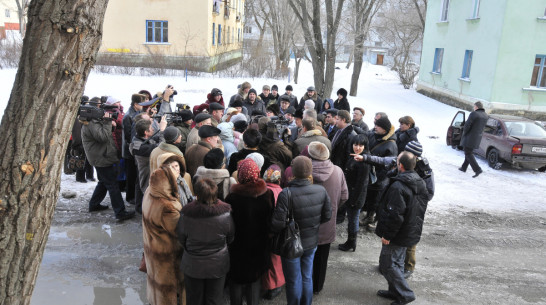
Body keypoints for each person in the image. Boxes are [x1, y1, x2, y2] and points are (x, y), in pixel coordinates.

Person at [271, 156, 331, 305]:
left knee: (293, 280)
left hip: (291, 243)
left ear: (293, 172)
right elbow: (327, 216)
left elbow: (277, 224)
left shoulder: (287, 193)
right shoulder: (321, 190)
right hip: (311, 242)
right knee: (306, 276)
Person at [375, 151, 429, 305]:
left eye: (397, 161)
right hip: (410, 231)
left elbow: (395, 215)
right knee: (397, 263)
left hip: (398, 233)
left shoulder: (399, 186)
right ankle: (395, 291)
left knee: (387, 265)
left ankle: (405, 294)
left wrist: (388, 235)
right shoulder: (420, 181)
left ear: (401, 165)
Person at [176, 178, 234, 305]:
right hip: (218, 265)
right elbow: (230, 238)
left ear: (196, 194)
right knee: (214, 299)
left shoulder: (186, 214)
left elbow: (181, 238)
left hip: (193, 264)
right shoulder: (226, 214)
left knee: (194, 300)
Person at [225, 159, 275, 305]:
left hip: (237, 248)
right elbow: (271, 220)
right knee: (254, 281)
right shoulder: (267, 195)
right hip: (259, 247)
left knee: (236, 281)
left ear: (240, 175)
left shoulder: (232, 198)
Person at [81, 103, 135, 221]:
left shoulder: (93, 122)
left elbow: (103, 133)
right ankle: (120, 212)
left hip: (101, 156)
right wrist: (107, 121)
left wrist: (109, 123)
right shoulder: (90, 124)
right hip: (101, 158)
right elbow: (103, 137)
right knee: (112, 185)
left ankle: (94, 204)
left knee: (103, 182)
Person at [307, 142, 348, 295]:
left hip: (306, 224)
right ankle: (317, 287)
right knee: (322, 258)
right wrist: (334, 206)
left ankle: (303, 284)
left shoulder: (304, 171)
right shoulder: (338, 171)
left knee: (304, 257)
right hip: (328, 222)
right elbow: (345, 196)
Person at [142, 163, 184, 305]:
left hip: (152, 248)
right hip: (167, 255)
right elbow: (180, 232)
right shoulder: (167, 207)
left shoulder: (149, 192)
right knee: (167, 291)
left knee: (155, 283)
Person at [361, 115, 398, 230]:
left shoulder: (391, 145)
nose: (375, 127)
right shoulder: (374, 135)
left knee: (374, 198)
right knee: (369, 195)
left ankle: (370, 217)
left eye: (378, 126)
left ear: (385, 129)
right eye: (375, 125)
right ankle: (368, 214)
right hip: (369, 173)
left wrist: (380, 176)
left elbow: (389, 164)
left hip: (379, 177)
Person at [339, 134, 371, 252]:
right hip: (351, 193)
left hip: (356, 196)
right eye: (355, 144)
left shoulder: (363, 161)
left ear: (365, 146)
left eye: (360, 145)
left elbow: (361, 184)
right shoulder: (353, 156)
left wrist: (353, 200)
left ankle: (351, 242)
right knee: (352, 218)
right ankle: (351, 242)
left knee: (353, 219)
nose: (357, 147)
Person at [261, 164, 285, 300]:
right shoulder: (281, 192)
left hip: (263, 231)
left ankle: (266, 284)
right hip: (276, 232)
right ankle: (274, 286)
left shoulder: (262, 191)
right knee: (275, 261)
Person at [122, 94, 144, 204]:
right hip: (129, 152)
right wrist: (134, 148)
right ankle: (130, 197)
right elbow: (128, 136)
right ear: (135, 104)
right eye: (141, 103)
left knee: (135, 175)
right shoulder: (128, 116)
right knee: (131, 175)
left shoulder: (138, 113)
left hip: (135, 149)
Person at [459, 101, 488, 177]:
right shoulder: (485, 115)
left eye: (474, 106)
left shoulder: (474, 114)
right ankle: (463, 167)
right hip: (477, 138)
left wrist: (464, 133)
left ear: (477, 107)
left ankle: (477, 169)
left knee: (468, 153)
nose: (473, 108)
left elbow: (467, 125)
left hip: (469, 137)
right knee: (469, 152)